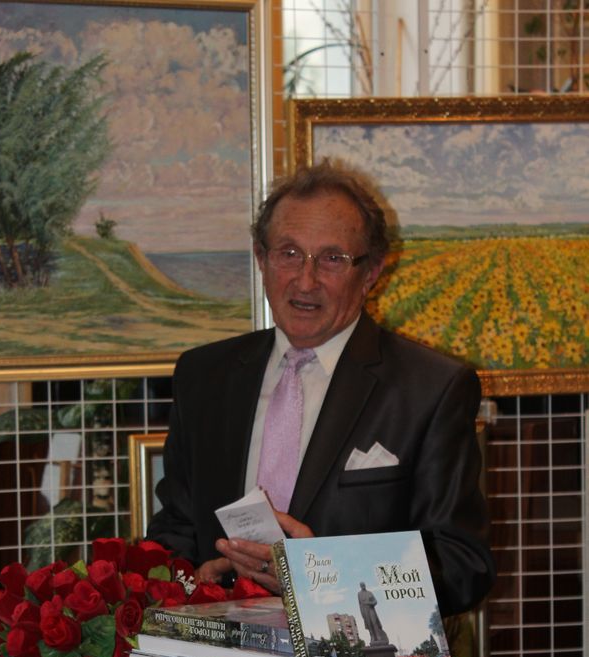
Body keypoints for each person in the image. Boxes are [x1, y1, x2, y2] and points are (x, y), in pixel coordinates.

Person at [146, 159, 495, 617]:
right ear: (261, 259)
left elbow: (462, 566)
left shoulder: (431, 389)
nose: (305, 280)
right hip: (224, 652)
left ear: (370, 273)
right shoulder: (203, 376)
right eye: (289, 253)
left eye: (332, 259)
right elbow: (175, 531)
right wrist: (194, 580)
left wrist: (323, 576)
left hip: (355, 652)